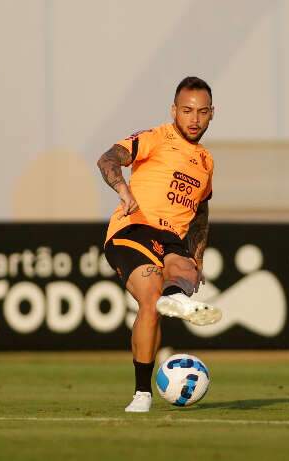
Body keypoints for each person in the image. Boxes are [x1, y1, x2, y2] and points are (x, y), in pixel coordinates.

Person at [97, 76, 221, 413]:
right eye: (187, 111)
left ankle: (175, 298)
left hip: (171, 241)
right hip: (133, 227)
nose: (194, 119)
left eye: (202, 112)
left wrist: (198, 256)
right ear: (174, 111)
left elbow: (202, 210)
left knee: (176, 279)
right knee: (152, 294)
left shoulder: (206, 162)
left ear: (212, 114)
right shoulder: (155, 138)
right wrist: (123, 189)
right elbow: (108, 158)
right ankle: (142, 392)